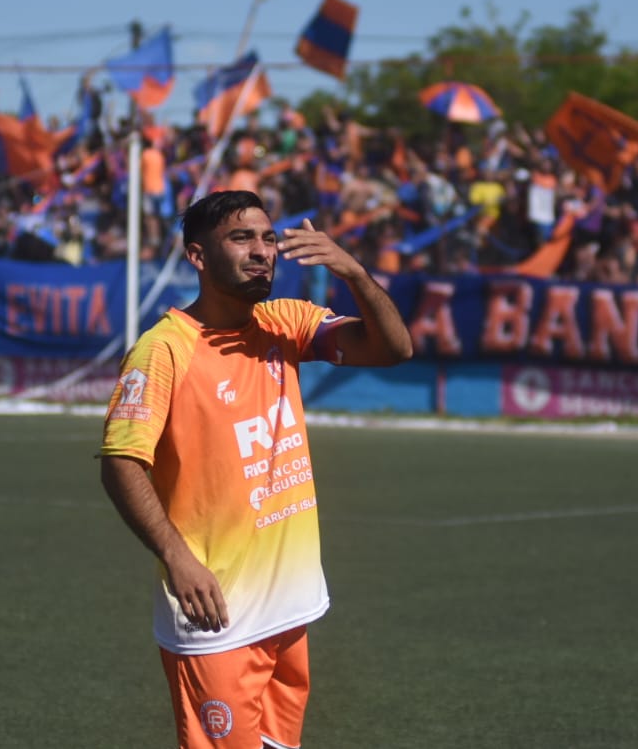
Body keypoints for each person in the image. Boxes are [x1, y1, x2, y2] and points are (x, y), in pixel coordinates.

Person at [99, 190, 412, 749]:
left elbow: (393, 349)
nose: (261, 250)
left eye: (268, 238)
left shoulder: (283, 323)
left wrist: (355, 275)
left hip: (290, 606)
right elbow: (121, 463)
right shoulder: (164, 350)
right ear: (197, 256)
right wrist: (176, 557)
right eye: (241, 238)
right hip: (217, 612)